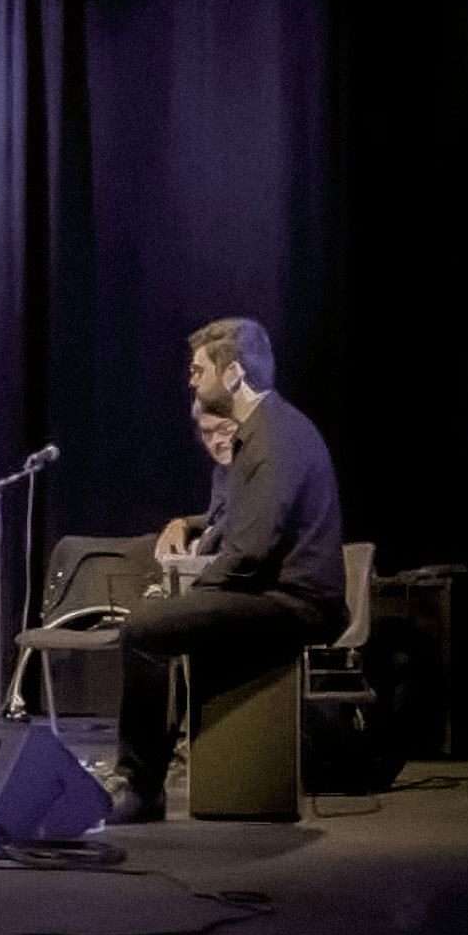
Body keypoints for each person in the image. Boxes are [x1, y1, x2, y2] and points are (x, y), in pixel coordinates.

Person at [107, 317, 349, 823]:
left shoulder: (275, 438)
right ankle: (148, 775)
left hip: (298, 602)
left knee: (146, 629)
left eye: (199, 370)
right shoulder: (262, 431)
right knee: (157, 621)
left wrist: (187, 596)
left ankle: (142, 785)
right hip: (276, 592)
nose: (190, 380)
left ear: (234, 373)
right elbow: (243, 526)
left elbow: (251, 553)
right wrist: (192, 533)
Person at [155, 399, 239, 560]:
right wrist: (183, 524)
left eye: (225, 430)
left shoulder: (263, 467)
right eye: (207, 432)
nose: (216, 441)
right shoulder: (222, 470)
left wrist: (199, 546)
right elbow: (216, 516)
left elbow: (242, 519)